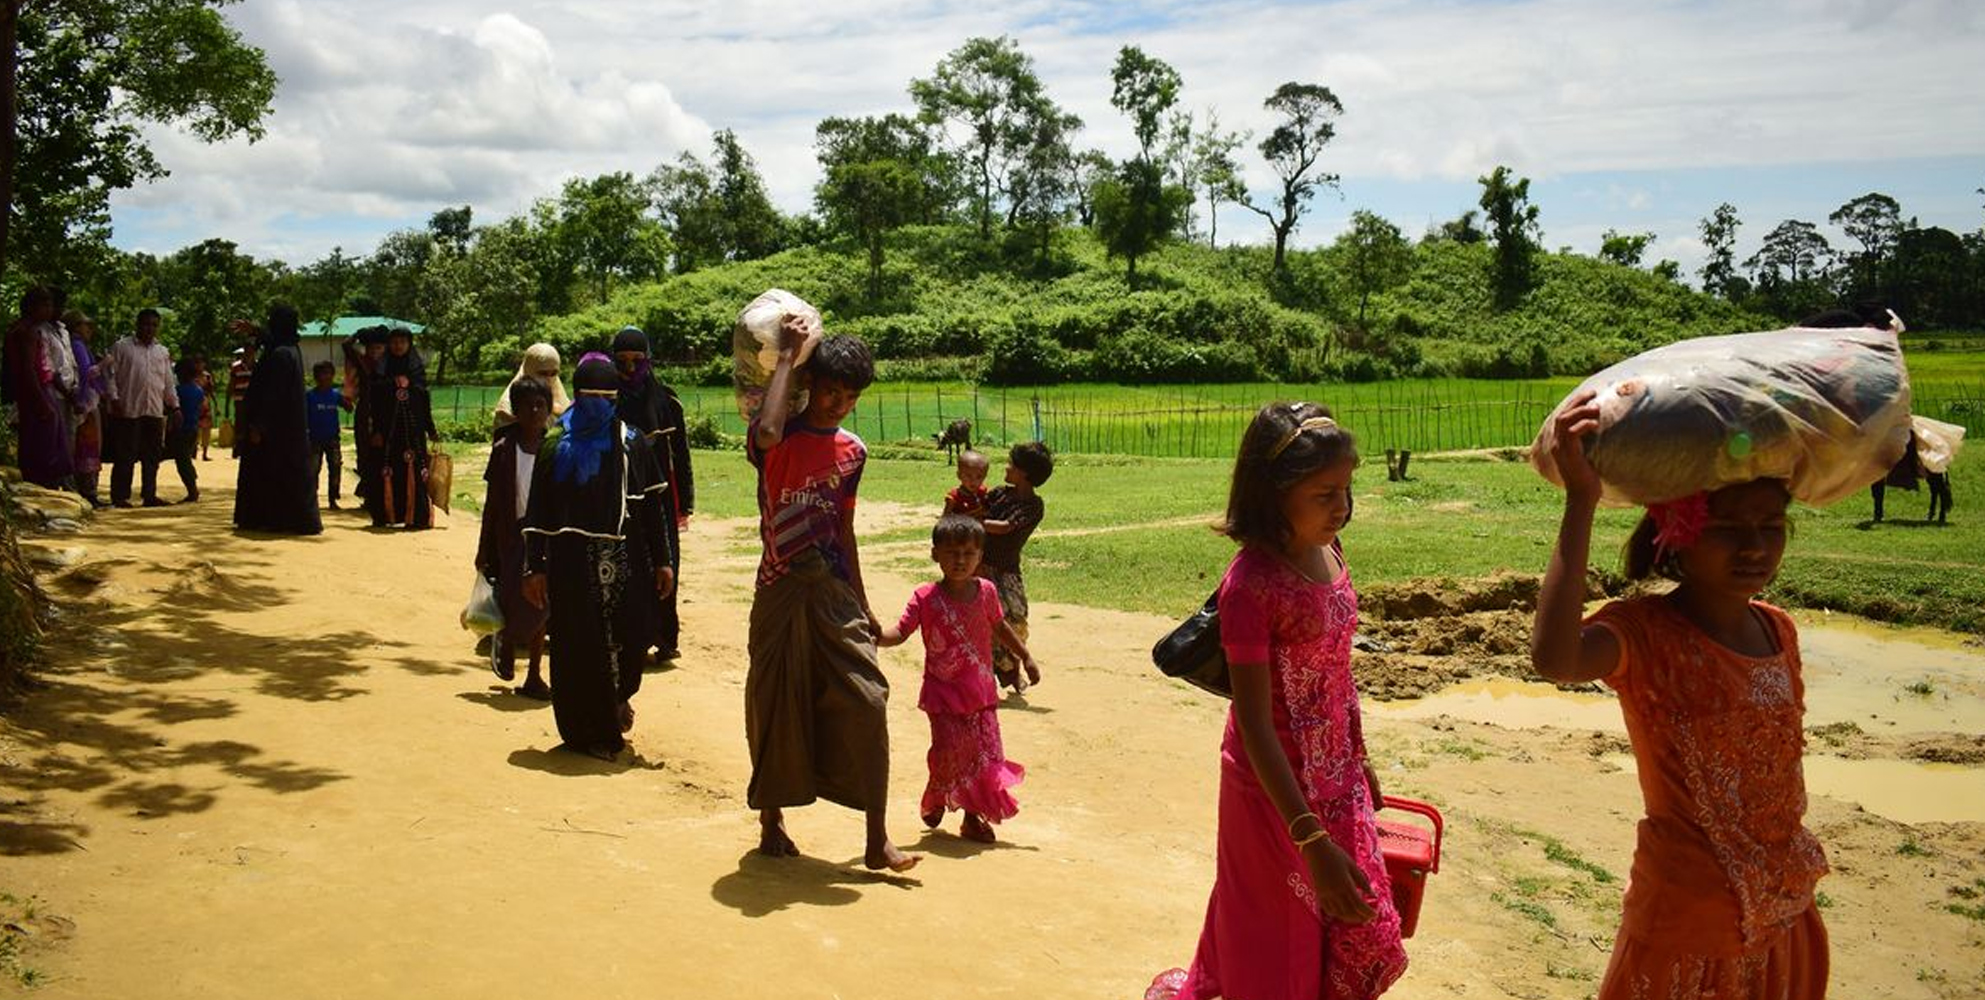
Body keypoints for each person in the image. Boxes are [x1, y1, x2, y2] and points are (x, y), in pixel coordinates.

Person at [1530, 389, 1829, 999]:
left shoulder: (1778, 629)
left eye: (1771, 528)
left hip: (1784, 910)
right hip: (1684, 922)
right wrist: (1581, 500)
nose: (1754, 547)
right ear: (1680, 533)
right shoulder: (1645, 634)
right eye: (1728, 529)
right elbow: (1556, 660)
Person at [1149, 403, 1406, 1000]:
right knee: (1280, 927)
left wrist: (1360, 757)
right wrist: (1311, 840)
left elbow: (1337, 671)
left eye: (1346, 489)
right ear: (1274, 493)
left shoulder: (1330, 551)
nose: (1341, 507)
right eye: (1324, 494)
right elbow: (1256, 723)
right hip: (1272, 788)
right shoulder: (1252, 586)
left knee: (1348, 925)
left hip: (1334, 774)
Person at [743, 320, 919, 874]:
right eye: (829, 392)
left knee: (868, 699)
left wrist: (863, 605)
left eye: (849, 397)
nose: (838, 404)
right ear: (809, 385)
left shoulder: (853, 452)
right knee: (774, 701)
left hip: (833, 590)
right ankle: (771, 819)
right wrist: (789, 357)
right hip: (779, 588)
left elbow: (844, 529)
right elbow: (769, 430)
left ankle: (877, 838)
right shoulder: (775, 438)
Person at [521, 356, 674, 758]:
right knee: (577, 646)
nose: (598, 407)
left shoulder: (630, 442)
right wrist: (533, 567)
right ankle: (588, 731)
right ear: (576, 397)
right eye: (591, 398)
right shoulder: (555, 446)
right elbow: (538, 511)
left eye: (607, 399)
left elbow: (651, 508)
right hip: (570, 565)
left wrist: (663, 560)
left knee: (631, 635)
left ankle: (618, 699)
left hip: (625, 562)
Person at [876, 514, 1034, 844]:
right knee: (949, 752)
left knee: (984, 757)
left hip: (982, 694)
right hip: (943, 696)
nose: (960, 561)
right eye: (951, 553)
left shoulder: (987, 591)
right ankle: (938, 793)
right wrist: (873, 634)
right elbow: (900, 633)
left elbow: (1000, 627)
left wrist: (1025, 656)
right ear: (935, 554)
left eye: (968, 554)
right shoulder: (925, 597)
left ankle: (972, 818)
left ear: (980, 556)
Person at [611, 326, 695, 660]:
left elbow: (681, 455)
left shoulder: (667, 401)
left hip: (660, 497)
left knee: (664, 562)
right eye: (622, 361)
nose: (631, 368)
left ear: (649, 359)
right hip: (619, 495)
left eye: (638, 360)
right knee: (627, 564)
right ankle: (630, 637)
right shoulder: (607, 399)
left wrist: (684, 501)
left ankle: (663, 636)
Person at [477, 375, 555, 700]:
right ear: (516, 411)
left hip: (544, 538)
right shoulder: (504, 450)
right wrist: (483, 548)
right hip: (510, 537)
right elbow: (493, 503)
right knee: (510, 598)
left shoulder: (555, 448)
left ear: (549, 409)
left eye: (540, 405)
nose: (535, 412)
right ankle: (506, 641)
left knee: (542, 605)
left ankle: (534, 674)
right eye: (527, 406)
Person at [233, 306, 322, 535]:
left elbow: (273, 394)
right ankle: (277, 518)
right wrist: (255, 330)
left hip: (274, 430)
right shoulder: (288, 348)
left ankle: (275, 518)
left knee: (272, 473)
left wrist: (259, 425)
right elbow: (271, 340)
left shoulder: (281, 354)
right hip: (286, 429)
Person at [976, 441, 1052, 692]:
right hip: (981, 566)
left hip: (1007, 570)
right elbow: (975, 503)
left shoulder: (1033, 506)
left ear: (1024, 473)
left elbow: (1006, 527)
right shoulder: (999, 494)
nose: (1006, 467)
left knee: (1016, 618)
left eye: (1011, 464)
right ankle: (990, 673)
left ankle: (1012, 669)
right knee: (985, 620)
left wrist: (975, 522)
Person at [102, 307, 178, 507]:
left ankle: (149, 495)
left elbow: (168, 381)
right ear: (137, 324)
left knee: (152, 455)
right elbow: (109, 376)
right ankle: (120, 496)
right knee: (125, 455)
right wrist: (114, 399)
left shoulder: (162, 352)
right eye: (146, 324)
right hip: (128, 409)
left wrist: (174, 406)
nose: (149, 328)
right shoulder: (121, 347)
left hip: (153, 410)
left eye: (154, 325)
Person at [364, 326, 437, 529]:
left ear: (409, 344)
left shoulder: (416, 370)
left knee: (415, 470)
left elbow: (424, 400)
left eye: (403, 342)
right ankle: (386, 515)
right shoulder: (381, 370)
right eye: (394, 342)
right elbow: (374, 402)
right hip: (388, 433)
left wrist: (431, 428)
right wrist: (376, 430)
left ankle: (415, 517)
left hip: (413, 432)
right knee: (387, 469)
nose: (398, 346)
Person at [2, 287, 71, 490]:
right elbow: (28, 369)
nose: (50, 309)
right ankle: (42, 485)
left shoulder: (21, 329)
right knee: (44, 444)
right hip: (38, 390)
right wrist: (41, 401)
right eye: (45, 305)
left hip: (34, 390)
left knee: (37, 441)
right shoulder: (27, 332)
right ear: (32, 306)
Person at [65, 310, 107, 505]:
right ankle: (88, 490)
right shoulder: (77, 345)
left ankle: (88, 489)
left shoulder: (80, 345)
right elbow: (86, 373)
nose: (89, 329)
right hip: (86, 403)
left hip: (88, 401)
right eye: (86, 325)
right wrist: (104, 364)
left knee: (87, 446)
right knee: (88, 447)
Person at [346, 327, 388, 522]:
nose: (375, 351)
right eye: (371, 348)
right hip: (365, 413)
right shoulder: (363, 364)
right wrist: (357, 334)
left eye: (379, 347)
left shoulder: (392, 364)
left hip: (386, 413)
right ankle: (370, 496)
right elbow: (346, 346)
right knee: (365, 454)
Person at [492, 342, 570, 433]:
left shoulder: (562, 402)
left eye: (554, 373)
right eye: (542, 373)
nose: (548, 379)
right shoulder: (506, 410)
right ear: (528, 369)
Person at [305, 361, 348, 509]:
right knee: (313, 469)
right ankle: (311, 498)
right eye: (322, 374)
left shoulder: (335, 395)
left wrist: (348, 400)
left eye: (329, 374)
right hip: (314, 439)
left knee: (335, 467)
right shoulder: (309, 396)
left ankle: (333, 498)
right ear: (316, 377)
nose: (326, 377)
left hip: (332, 438)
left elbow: (348, 407)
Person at [168, 359, 203, 502]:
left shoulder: (178, 391)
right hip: (193, 428)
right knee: (185, 459)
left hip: (181, 430)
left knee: (183, 461)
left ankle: (192, 490)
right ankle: (192, 488)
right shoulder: (198, 390)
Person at [227, 339, 256, 458]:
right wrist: (227, 403)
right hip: (240, 399)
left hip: (254, 401)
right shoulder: (236, 367)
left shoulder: (258, 366)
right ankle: (237, 448)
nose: (249, 352)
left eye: (251, 350)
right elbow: (231, 384)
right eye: (247, 350)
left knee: (252, 424)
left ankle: (250, 449)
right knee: (240, 424)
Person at [942, 449, 990, 517]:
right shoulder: (955, 497)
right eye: (968, 476)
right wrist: (975, 513)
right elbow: (945, 519)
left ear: (984, 477)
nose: (973, 481)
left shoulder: (983, 492)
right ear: (959, 475)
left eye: (979, 477)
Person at [194, 355, 216, 461]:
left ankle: (205, 453)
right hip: (194, 405)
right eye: (197, 363)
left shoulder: (207, 376)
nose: (199, 365)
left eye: (201, 363)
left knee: (206, 430)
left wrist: (216, 404)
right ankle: (193, 451)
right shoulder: (191, 376)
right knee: (195, 429)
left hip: (205, 405)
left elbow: (211, 391)